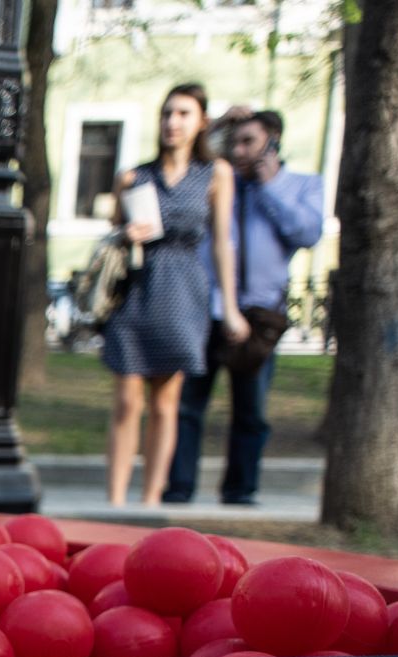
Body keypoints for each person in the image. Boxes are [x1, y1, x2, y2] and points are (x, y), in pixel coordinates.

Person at [99, 83, 248, 508]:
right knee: (127, 401)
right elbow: (110, 238)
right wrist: (125, 232)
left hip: (184, 290)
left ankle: (149, 502)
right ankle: (113, 502)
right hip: (136, 289)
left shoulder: (215, 174)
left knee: (166, 404)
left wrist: (231, 308)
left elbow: (222, 243)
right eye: (167, 113)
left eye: (183, 113)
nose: (172, 122)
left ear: (201, 121)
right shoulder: (133, 176)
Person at [166, 109, 324, 506]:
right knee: (187, 407)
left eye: (248, 141)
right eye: (233, 142)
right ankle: (178, 488)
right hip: (206, 310)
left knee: (251, 410)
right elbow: (191, 164)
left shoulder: (302, 186)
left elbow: (306, 233)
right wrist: (215, 124)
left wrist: (268, 188)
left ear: (273, 142)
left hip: (259, 314)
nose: (238, 150)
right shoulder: (219, 182)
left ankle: (240, 490)